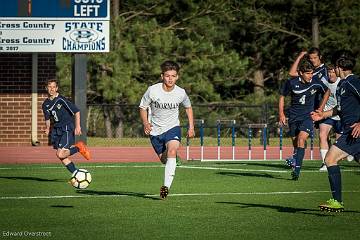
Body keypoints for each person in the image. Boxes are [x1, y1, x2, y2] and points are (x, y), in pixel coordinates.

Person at [311, 50, 360, 212]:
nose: (332, 71)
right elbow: (339, 109)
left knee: (330, 159)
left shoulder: (354, 82)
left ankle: (336, 201)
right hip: (350, 131)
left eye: (334, 68)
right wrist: (322, 114)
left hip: (354, 132)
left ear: (340, 67)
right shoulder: (342, 85)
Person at [139, 60, 195, 199]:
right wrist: (146, 123)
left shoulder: (180, 92)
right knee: (165, 160)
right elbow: (142, 107)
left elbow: (188, 107)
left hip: (173, 127)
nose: (170, 79)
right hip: (155, 130)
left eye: (173, 76)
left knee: (172, 150)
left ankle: (165, 188)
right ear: (162, 76)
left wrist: (191, 126)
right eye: (167, 76)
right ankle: (172, 159)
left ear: (177, 77)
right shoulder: (153, 90)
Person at [279, 57, 329, 180]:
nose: (310, 76)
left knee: (301, 139)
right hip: (293, 117)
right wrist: (281, 114)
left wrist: (321, 109)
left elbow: (327, 91)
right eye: (307, 73)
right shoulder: (291, 83)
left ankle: (296, 171)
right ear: (301, 73)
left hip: (307, 117)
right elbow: (281, 97)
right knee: (296, 143)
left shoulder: (316, 81)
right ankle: (296, 158)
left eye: (311, 73)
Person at [286, 48, 329, 165]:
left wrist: (323, 106)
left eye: (315, 58)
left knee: (326, 133)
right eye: (310, 58)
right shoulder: (311, 71)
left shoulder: (325, 70)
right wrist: (300, 57)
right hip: (313, 107)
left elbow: (329, 89)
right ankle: (297, 159)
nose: (313, 60)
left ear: (320, 57)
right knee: (322, 134)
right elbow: (291, 73)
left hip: (327, 105)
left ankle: (331, 159)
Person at [42, 79, 91, 176]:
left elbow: (76, 111)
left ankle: (78, 148)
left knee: (60, 154)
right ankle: (76, 174)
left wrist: (78, 126)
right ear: (46, 88)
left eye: (53, 87)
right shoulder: (45, 104)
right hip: (56, 130)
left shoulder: (61, 99)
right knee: (61, 157)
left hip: (66, 128)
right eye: (49, 87)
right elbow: (47, 118)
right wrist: (48, 128)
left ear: (57, 88)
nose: (51, 89)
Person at [318, 64, 343, 171]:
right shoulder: (323, 81)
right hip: (327, 113)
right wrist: (320, 110)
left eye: (332, 72)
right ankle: (325, 163)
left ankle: (340, 157)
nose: (330, 74)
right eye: (329, 72)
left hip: (340, 114)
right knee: (322, 135)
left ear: (337, 72)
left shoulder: (343, 82)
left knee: (339, 142)